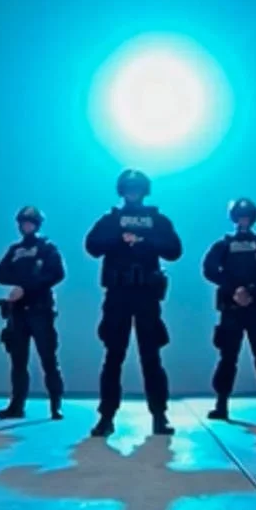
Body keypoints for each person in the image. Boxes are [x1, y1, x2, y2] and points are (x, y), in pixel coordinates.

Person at [85, 169, 183, 437]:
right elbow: (92, 246)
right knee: (113, 357)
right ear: (122, 191)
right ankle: (106, 417)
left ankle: (159, 416)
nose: (133, 193)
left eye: (137, 188)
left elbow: (174, 250)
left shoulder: (156, 219)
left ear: (144, 191)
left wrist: (144, 241)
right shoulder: (112, 220)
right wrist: (119, 238)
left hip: (146, 297)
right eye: (129, 188)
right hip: (118, 295)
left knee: (151, 357)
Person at [203, 198, 256, 421]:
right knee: (227, 357)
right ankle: (221, 404)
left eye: (247, 217)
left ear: (253, 219)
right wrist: (234, 290)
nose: (243, 221)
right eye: (240, 217)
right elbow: (209, 269)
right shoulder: (223, 245)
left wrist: (252, 289)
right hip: (231, 309)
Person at [0, 206, 67, 420]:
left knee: (48, 359)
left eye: (31, 223)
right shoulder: (15, 250)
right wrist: (20, 284)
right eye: (24, 223)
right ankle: (16, 405)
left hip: (40, 310)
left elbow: (57, 273)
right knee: (18, 361)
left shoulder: (47, 248)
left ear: (37, 225)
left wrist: (26, 286)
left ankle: (55, 405)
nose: (27, 226)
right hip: (18, 313)